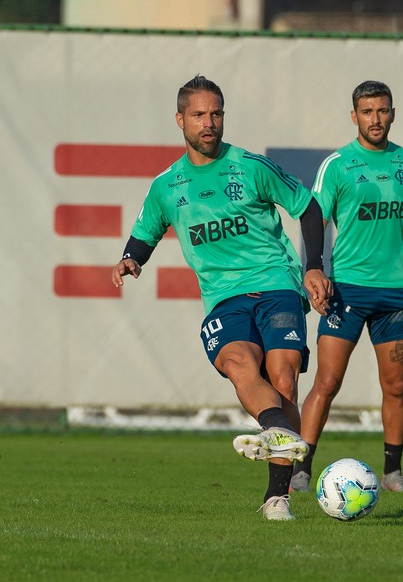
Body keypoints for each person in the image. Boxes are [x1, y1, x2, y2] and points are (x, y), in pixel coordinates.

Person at [111, 75, 330, 521]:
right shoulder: (167, 185)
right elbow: (144, 234)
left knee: (283, 377)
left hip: (276, 285)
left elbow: (308, 206)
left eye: (216, 114)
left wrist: (312, 266)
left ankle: (276, 497)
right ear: (180, 120)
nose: (208, 123)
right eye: (198, 115)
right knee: (237, 365)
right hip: (223, 298)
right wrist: (130, 260)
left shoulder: (250, 167)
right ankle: (278, 432)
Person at [289, 80, 403, 495]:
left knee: (395, 386)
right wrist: (314, 269)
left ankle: (392, 471)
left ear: (393, 113)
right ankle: (301, 467)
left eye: (383, 110)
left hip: (395, 294)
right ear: (354, 116)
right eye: (368, 112)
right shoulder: (338, 165)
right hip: (347, 292)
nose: (376, 119)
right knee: (328, 381)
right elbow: (314, 219)